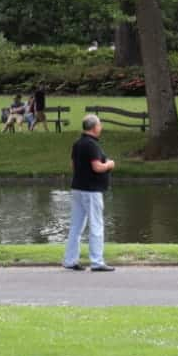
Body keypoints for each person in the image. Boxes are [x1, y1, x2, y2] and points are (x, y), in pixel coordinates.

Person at [64, 114, 116, 272]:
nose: (101, 127)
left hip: (77, 188)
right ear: (94, 128)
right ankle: (97, 262)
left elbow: (73, 165)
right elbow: (97, 167)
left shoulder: (78, 143)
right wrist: (109, 164)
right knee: (96, 225)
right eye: (99, 125)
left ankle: (70, 260)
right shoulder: (92, 145)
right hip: (91, 191)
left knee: (76, 226)